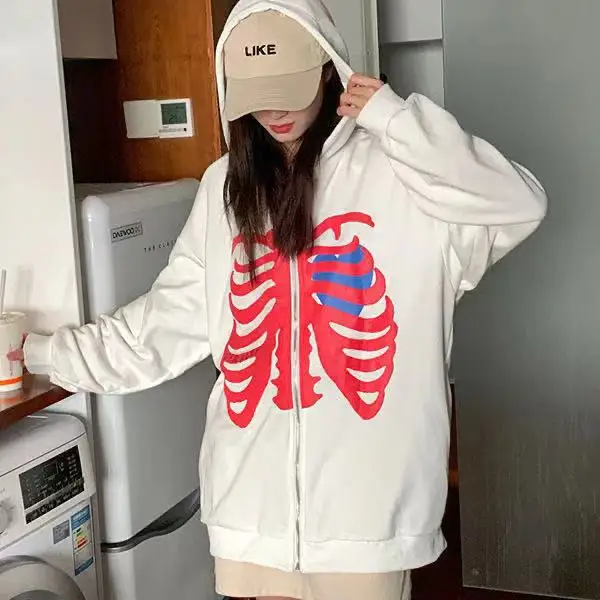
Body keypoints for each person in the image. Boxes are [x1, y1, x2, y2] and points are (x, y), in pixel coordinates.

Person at [9, 0, 547, 598]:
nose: (274, 110)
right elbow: (159, 327)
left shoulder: (407, 174)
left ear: (328, 68)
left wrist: (398, 121)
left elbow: (518, 205)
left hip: (368, 527)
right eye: (255, 94)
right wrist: (41, 353)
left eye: (288, 86)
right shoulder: (224, 187)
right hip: (247, 523)